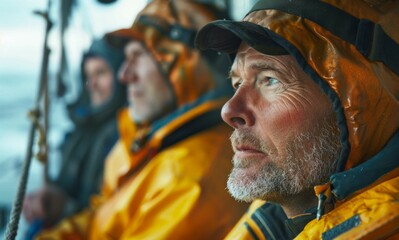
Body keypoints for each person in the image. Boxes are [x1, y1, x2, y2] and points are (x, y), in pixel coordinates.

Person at [195, 0, 399, 239]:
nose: (229, 110)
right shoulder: (274, 223)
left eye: (270, 80)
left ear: (356, 101)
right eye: (236, 83)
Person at [35, 0, 248, 239]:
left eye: (137, 56)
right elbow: (100, 219)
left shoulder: (189, 180)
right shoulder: (145, 138)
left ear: (183, 65)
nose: (124, 75)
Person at [23, 37, 126, 231]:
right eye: (88, 76)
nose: (92, 85)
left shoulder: (125, 134)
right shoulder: (81, 128)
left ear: (121, 74)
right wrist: (51, 195)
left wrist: (66, 208)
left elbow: (113, 217)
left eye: (101, 73)